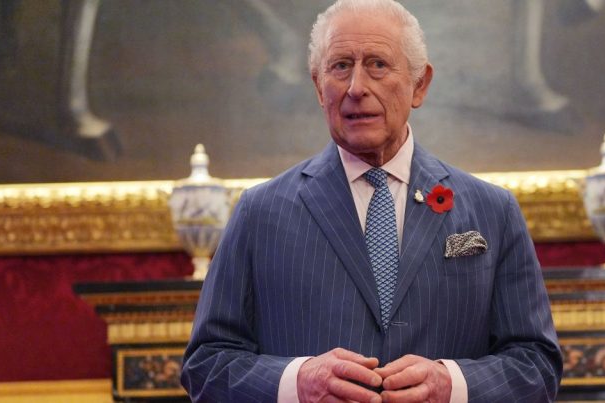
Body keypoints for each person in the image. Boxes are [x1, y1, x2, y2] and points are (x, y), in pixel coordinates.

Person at [181, 0, 562, 402]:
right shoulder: (260, 213)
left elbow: (536, 364)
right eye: (340, 66)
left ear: (419, 85)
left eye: (378, 64)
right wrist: (297, 382)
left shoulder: (492, 212)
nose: (356, 88)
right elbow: (206, 364)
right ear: (318, 87)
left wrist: (451, 384)